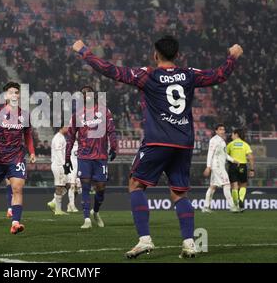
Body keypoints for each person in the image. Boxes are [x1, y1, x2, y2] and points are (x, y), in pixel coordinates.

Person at [72, 36, 243, 258]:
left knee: (135, 185)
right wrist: (232, 57)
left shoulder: (147, 75)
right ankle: (190, 242)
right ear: (178, 55)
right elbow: (220, 74)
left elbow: (110, 70)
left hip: (157, 141)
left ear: (155, 55)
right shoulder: (189, 74)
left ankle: (144, 239)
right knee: (178, 193)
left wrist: (84, 51)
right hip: (183, 143)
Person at [0, 82, 36, 234]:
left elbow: (28, 135)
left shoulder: (24, 114)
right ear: (6, 95)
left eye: (16, 92)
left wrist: (31, 152)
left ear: (18, 96)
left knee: (17, 188)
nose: (14, 95)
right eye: (11, 92)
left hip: (17, 156)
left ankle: (15, 223)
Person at [65, 86, 118, 229]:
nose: (86, 95)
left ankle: (96, 211)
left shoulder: (104, 111)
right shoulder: (77, 115)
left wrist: (114, 147)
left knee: (101, 187)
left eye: (88, 92)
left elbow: (111, 130)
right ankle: (87, 218)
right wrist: (67, 157)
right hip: (84, 155)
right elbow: (70, 137)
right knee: (86, 186)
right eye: (83, 93)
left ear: (94, 95)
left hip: (100, 155)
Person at [202, 124, 240, 213]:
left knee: (212, 187)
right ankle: (232, 206)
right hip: (217, 166)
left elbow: (224, 154)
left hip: (219, 166)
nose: (222, 131)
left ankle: (206, 207)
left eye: (223, 129)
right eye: (220, 129)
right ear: (216, 131)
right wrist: (208, 166)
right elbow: (210, 153)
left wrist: (233, 160)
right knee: (226, 184)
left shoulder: (222, 140)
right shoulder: (214, 140)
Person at [227, 129, 255, 212]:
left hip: (233, 165)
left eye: (232, 134)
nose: (231, 136)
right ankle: (241, 200)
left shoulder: (230, 144)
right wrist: (252, 169)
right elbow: (251, 157)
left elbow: (225, 155)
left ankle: (236, 205)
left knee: (234, 186)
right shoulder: (245, 144)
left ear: (236, 134)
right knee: (243, 185)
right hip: (242, 166)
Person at [48, 126, 71, 215]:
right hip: (58, 165)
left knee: (68, 185)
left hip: (61, 164)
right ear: (62, 127)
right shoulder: (58, 138)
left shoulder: (62, 137)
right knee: (59, 186)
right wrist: (63, 164)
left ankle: (54, 202)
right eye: (67, 127)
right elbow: (58, 152)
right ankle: (58, 209)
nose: (68, 128)